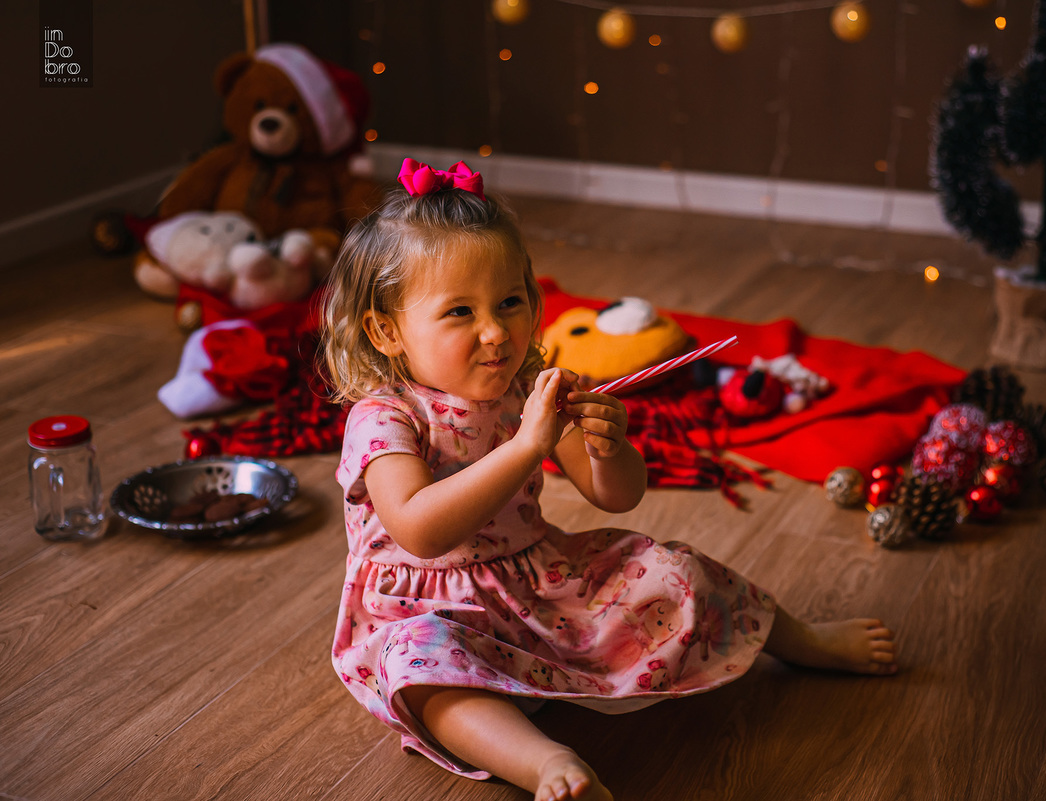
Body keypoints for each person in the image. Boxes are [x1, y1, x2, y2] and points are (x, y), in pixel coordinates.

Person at [321, 159, 898, 801]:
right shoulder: (383, 418)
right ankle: (545, 764)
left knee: (673, 567)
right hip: (422, 609)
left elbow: (616, 495)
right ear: (387, 331)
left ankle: (800, 639)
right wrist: (526, 446)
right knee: (422, 677)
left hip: (534, 582)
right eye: (459, 311)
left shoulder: (526, 391)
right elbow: (419, 529)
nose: (495, 331)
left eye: (510, 302)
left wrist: (610, 445)